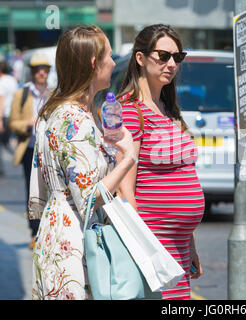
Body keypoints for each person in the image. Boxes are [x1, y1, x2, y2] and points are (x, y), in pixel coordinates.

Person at [27, 25, 136, 300]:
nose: (113, 62)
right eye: (109, 56)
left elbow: (41, 186)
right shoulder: (75, 119)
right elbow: (88, 200)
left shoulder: (55, 110)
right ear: (93, 63)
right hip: (74, 243)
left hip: (58, 231)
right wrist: (127, 159)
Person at [117, 24, 204, 300]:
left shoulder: (169, 110)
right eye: (163, 56)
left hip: (178, 245)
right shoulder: (130, 111)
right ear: (140, 58)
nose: (171, 64)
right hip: (153, 245)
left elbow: (183, 176)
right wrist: (143, 249)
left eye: (177, 58)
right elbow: (124, 191)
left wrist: (189, 242)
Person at [8, 52, 51, 249]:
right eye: (38, 69)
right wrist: (27, 124)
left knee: (51, 190)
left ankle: (48, 230)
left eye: (45, 69)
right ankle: (35, 232)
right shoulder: (22, 94)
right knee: (32, 191)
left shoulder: (53, 93)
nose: (41, 73)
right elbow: (12, 123)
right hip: (29, 149)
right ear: (32, 72)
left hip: (49, 150)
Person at [0, 60, 18, 176]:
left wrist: (0, 119)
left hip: (5, 115)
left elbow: (2, 100)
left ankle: (18, 155)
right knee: (6, 142)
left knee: (3, 143)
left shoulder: (2, 82)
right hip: (14, 114)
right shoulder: (13, 80)